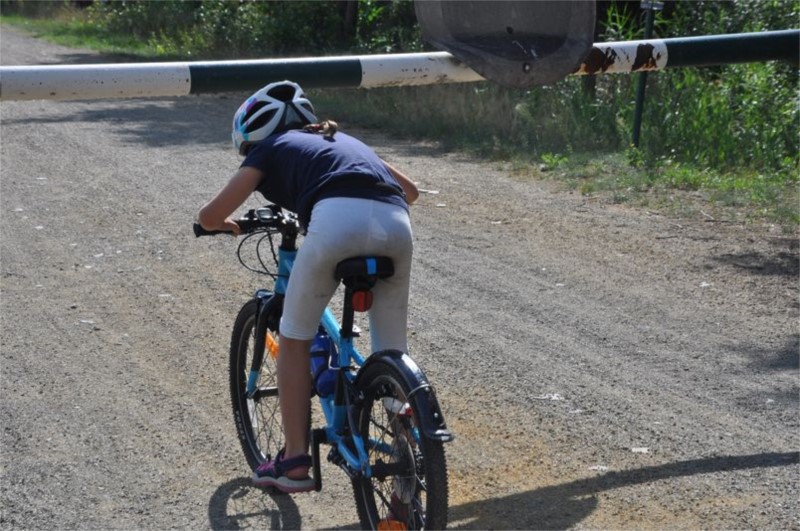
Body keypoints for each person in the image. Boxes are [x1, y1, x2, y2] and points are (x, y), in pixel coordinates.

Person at [198, 80, 419, 493]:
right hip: (395, 223)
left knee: (295, 336)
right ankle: (408, 450)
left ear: (253, 135)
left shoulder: (269, 148)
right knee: (392, 349)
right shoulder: (340, 137)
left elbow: (210, 215)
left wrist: (228, 226)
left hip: (336, 222)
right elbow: (412, 192)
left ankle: (295, 461)